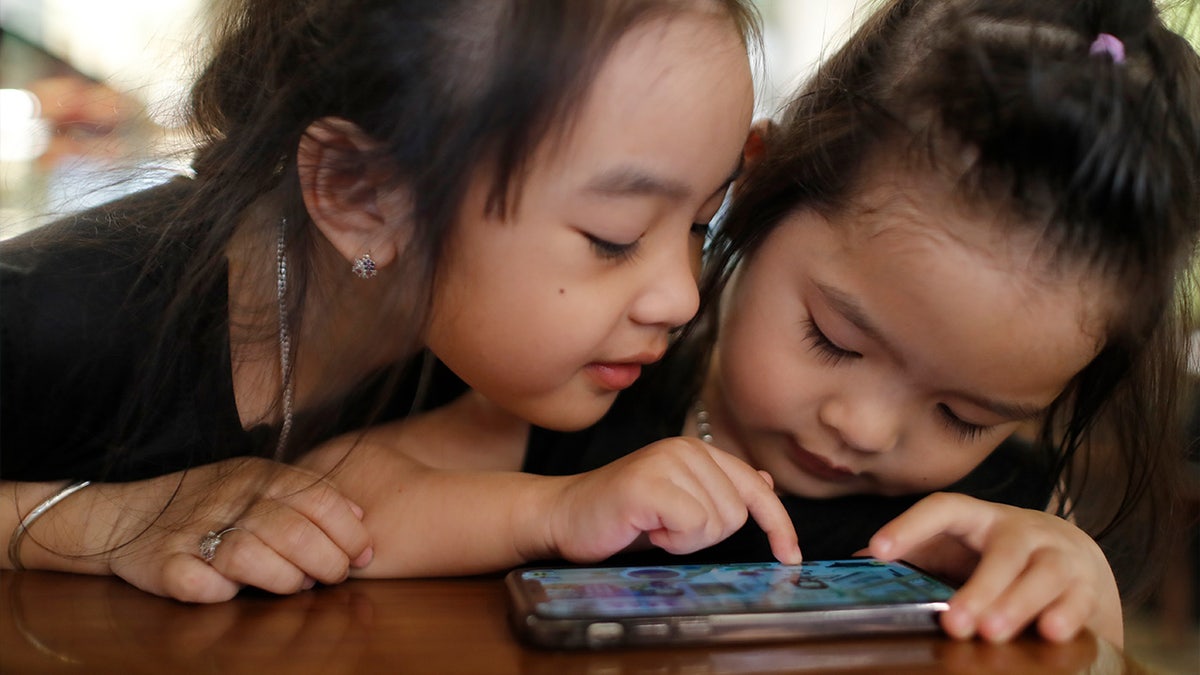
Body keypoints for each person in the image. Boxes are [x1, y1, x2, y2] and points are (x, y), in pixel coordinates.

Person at [297, 0, 1200, 650]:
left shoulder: (1007, 514)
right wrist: (556, 508)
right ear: (756, 193)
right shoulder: (605, 395)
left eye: (967, 414)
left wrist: (1081, 588)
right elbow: (340, 493)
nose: (865, 427)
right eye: (833, 340)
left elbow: (1083, 644)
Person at [0, 0, 802, 603]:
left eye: (702, 222)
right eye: (614, 236)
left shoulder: (495, 363)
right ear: (362, 194)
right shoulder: (60, 313)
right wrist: (98, 523)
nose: (680, 296)